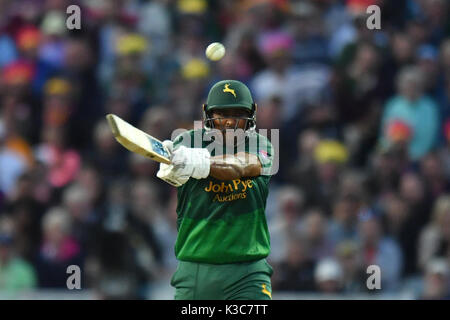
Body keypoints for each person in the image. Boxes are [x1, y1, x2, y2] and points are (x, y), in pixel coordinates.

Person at [156, 79, 275, 300]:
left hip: (247, 272)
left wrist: (202, 164)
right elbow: (171, 175)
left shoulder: (262, 145)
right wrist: (171, 167)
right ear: (207, 114)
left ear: (252, 113)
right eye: (221, 114)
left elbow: (240, 165)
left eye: (237, 114)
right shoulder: (187, 143)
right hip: (195, 271)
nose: (229, 122)